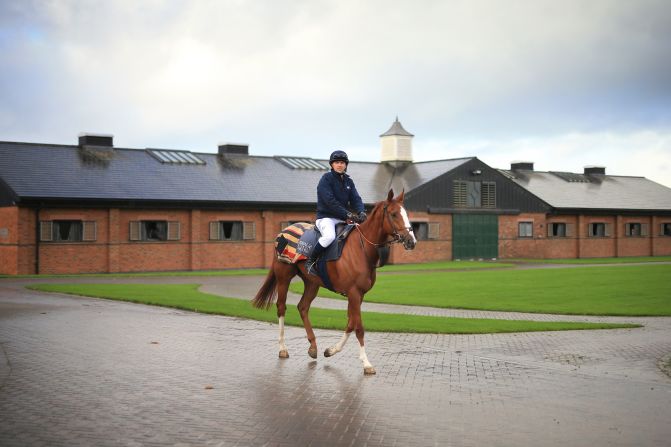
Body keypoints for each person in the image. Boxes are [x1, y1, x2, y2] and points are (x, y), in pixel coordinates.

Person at [306, 150, 367, 273]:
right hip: (326, 218)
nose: (340, 165)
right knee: (329, 237)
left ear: (346, 165)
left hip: (342, 219)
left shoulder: (349, 181)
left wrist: (361, 212)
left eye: (342, 163)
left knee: (359, 234)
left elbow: (356, 198)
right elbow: (330, 201)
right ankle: (310, 261)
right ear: (332, 165)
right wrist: (347, 214)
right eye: (337, 162)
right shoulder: (326, 179)